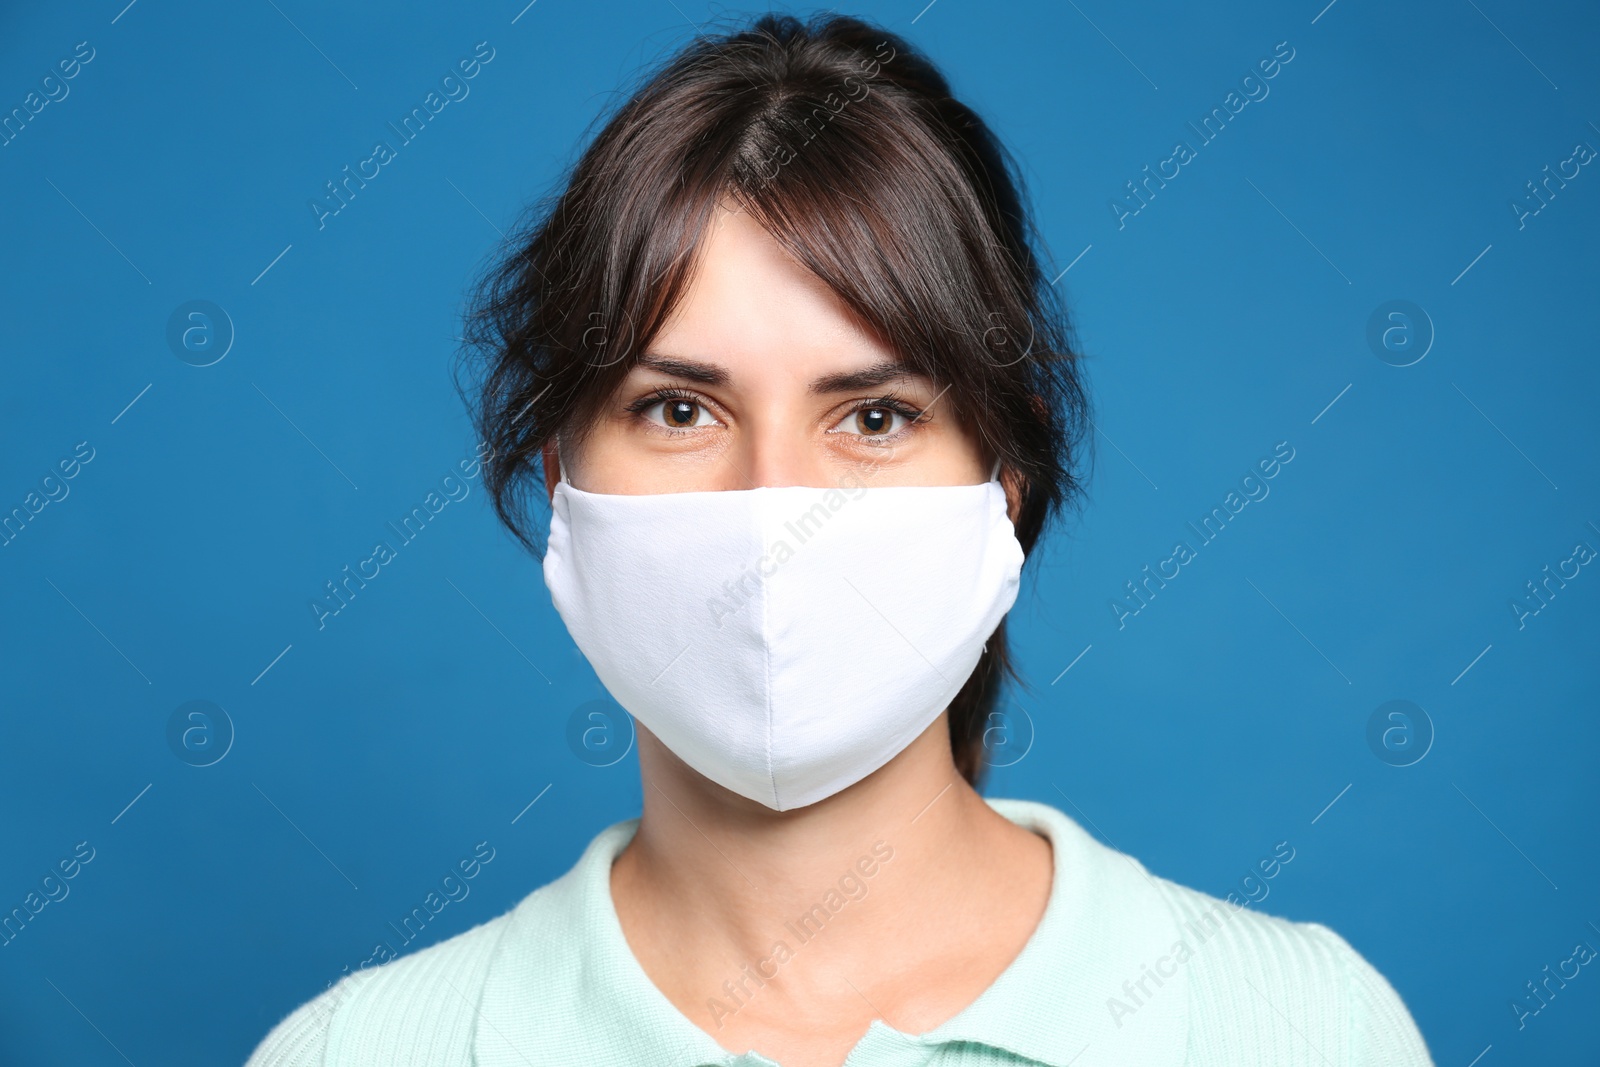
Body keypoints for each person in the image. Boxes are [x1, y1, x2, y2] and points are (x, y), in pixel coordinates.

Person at [245, 13, 1433, 1066]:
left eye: (873, 416)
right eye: (678, 409)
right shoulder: (353, 1049)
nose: (778, 506)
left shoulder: (1305, 1030)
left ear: (1003, 486)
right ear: (559, 479)